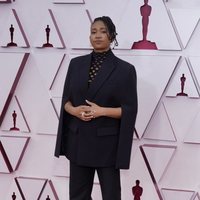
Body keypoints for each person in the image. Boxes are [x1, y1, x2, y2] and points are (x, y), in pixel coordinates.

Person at [54, 16, 138, 200]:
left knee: (110, 195)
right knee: (77, 196)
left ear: (112, 36)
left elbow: (130, 110)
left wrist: (102, 111)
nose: (97, 35)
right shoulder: (75, 65)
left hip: (107, 145)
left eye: (102, 31)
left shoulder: (125, 70)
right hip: (78, 142)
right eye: (93, 32)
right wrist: (74, 111)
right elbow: (66, 102)